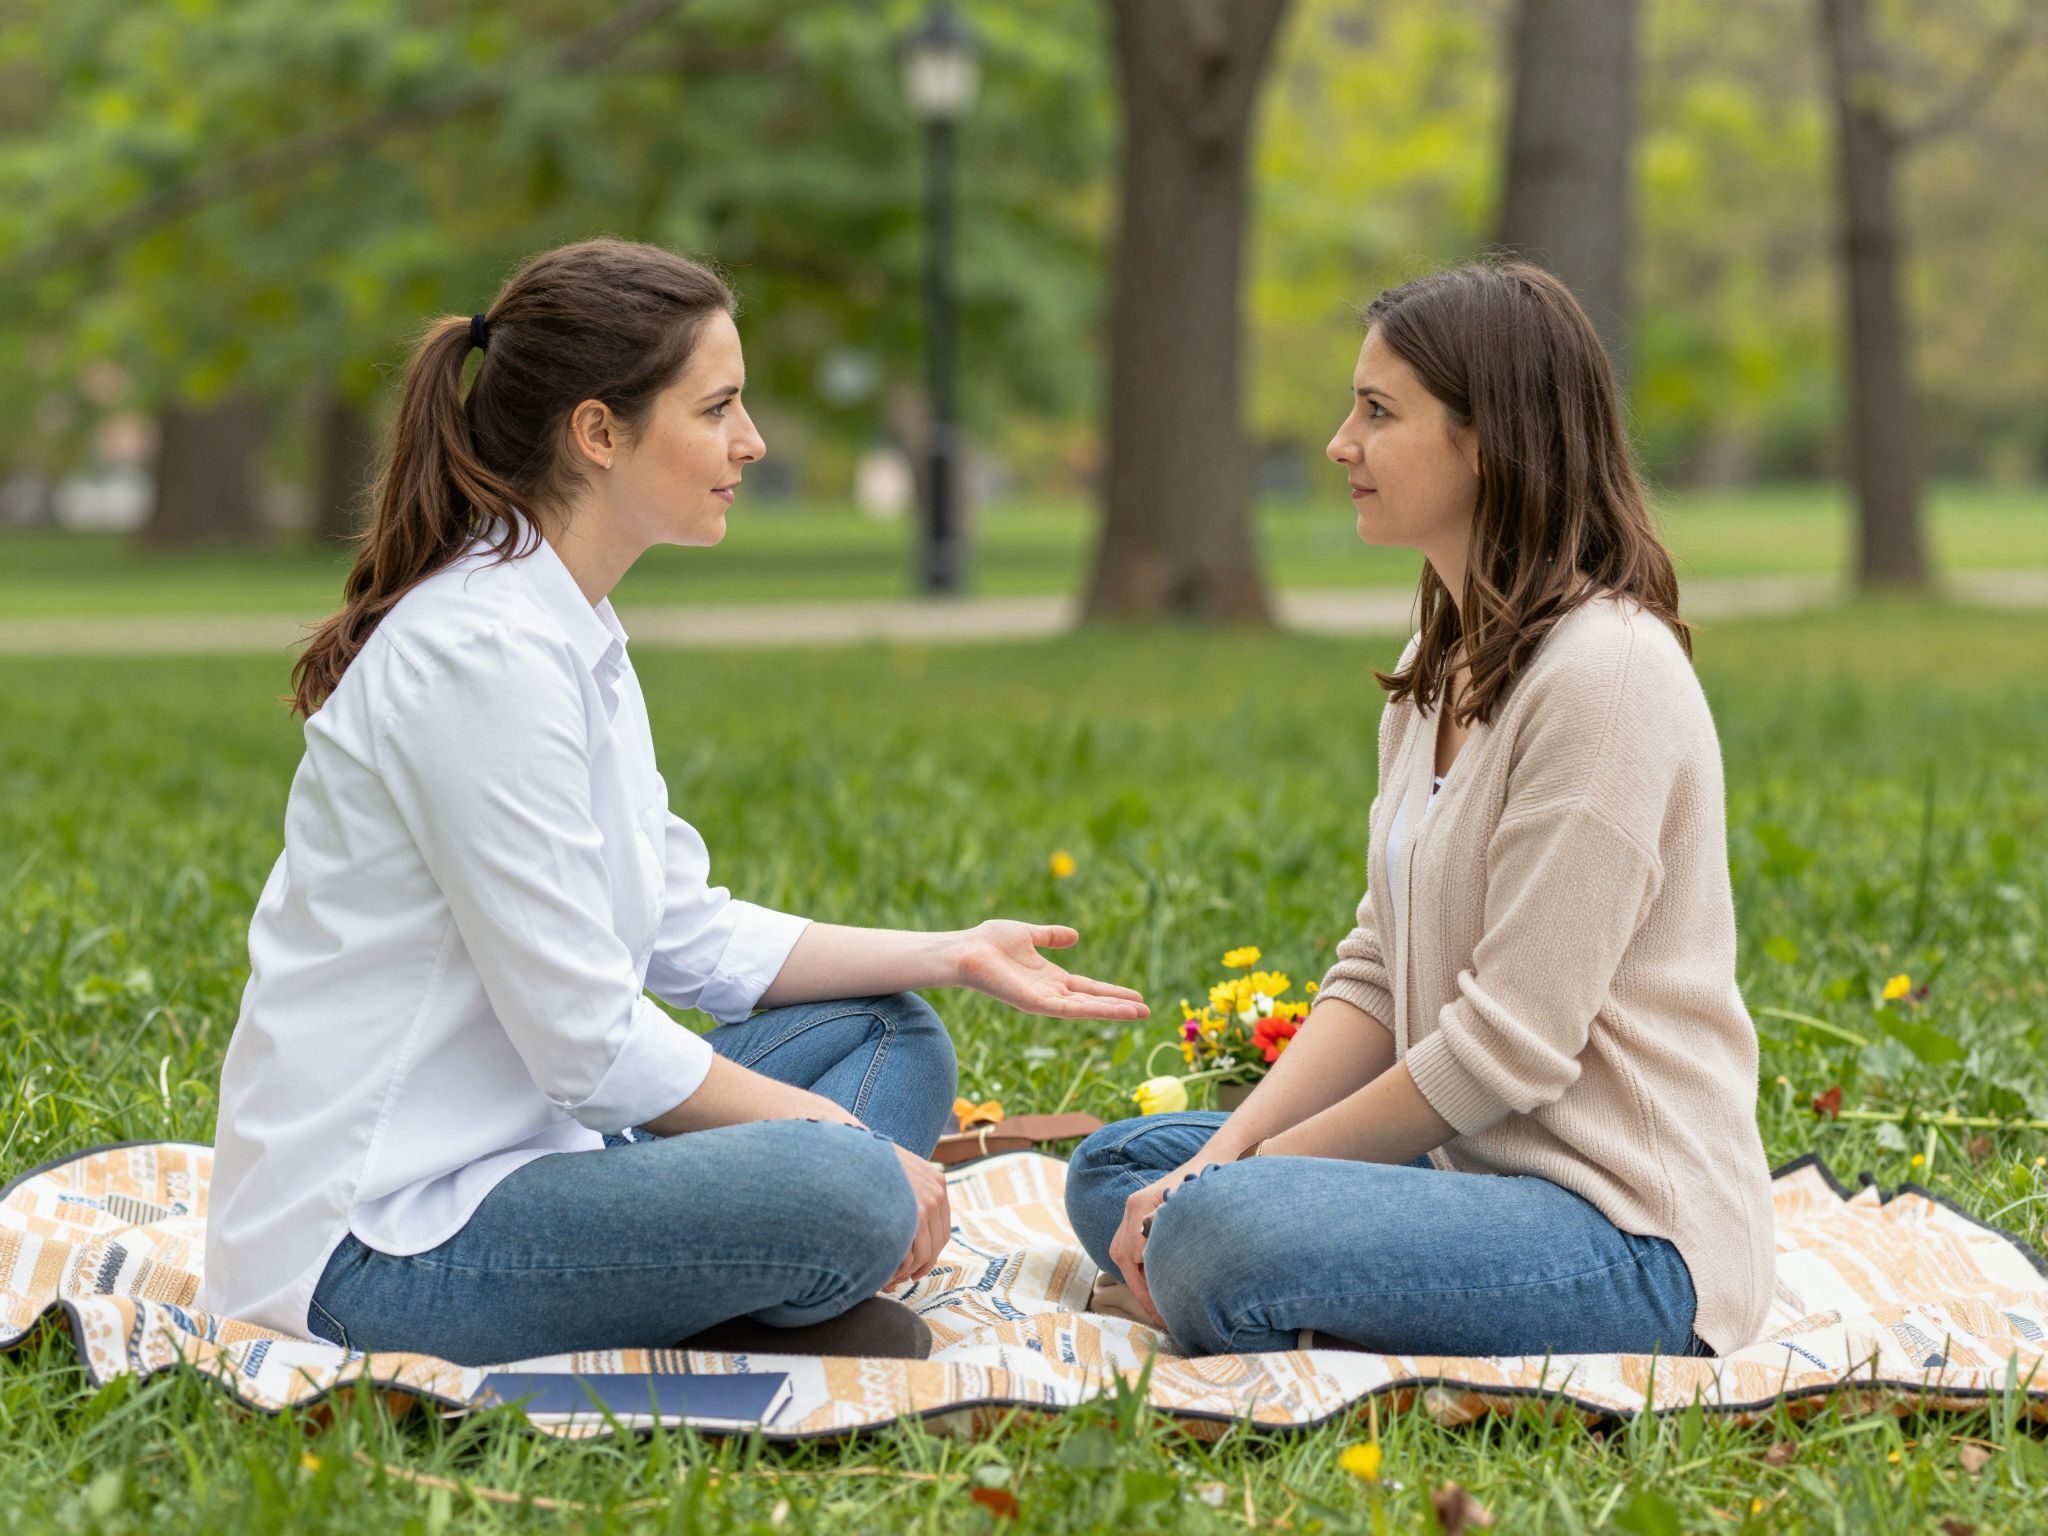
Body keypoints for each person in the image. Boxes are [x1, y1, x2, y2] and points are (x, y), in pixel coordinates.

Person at [203, 238, 1148, 1367]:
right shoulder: (478, 656)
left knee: (885, 1028)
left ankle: (747, 1276)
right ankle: (772, 1273)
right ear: (598, 433)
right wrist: (843, 1148)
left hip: (541, 1162)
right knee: (843, 1185)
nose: (750, 442)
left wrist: (951, 951)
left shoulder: (568, 627)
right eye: (718, 409)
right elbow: (587, 1048)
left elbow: (679, 928)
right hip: (376, 1248)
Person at [1065, 259, 1774, 1361]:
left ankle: (1231, 1272)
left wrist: (1242, 1185)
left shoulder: (1604, 677)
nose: (1340, 443)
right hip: (1466, 1172)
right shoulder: (1438, 663)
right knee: (1121, 1172)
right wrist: (1228, 1154)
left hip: (1629, 1237)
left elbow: (1506, 1052)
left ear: (1489, 439)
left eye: (1377, 412)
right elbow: (1374, 972)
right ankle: (1244, 1259)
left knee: (1206, 1229)